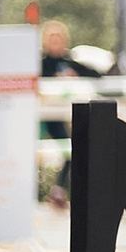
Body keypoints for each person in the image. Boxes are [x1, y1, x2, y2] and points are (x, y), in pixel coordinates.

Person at [39, 21, 102, 209]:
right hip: (46, 114)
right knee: (60, 148)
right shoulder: (41, 63)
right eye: (52, 39)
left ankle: (60, 190)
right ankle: (52, 190)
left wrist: (75, 76)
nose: (56, 43)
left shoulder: (69, 61)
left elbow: (96, 75)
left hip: (65, 112)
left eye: (59, 39)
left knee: (71, 148)